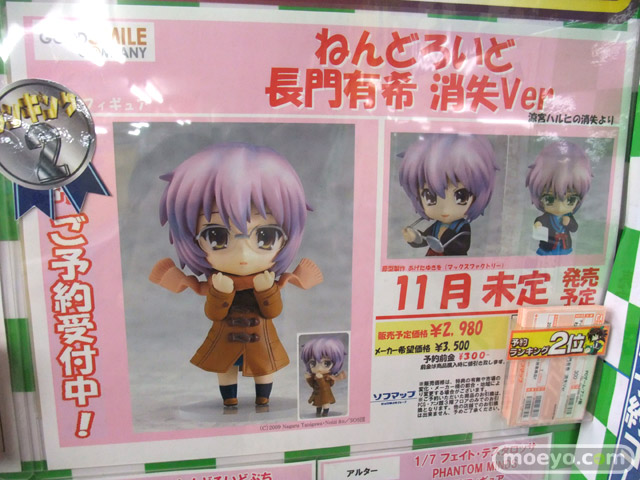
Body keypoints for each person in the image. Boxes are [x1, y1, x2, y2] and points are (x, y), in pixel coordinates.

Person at [150, 143, 322, 407]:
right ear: (191, 238)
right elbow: (214, 314)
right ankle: (229, 400)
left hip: (261, 339)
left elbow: (273, 311)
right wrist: (220, 293)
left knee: (264, 367)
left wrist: (267, 290)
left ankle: (263, 397)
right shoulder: (215, 283)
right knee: (225, 367)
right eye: (216, 236)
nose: (243, 253)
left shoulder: (267, 281)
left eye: (265, 236)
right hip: (225, 340)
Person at [399, 134, 498, 256]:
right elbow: (425, 239)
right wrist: (414, 238)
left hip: (454, 263)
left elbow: (463, 246)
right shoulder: (437, 225)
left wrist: (447, 239)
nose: (445, 209)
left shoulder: (462, 227)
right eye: (430, 197)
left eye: (461, 197)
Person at [526, 141, 592, 255]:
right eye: (549, 199)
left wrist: (569, 222)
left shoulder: (568, 216)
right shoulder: (546, 217)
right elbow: (540, 221)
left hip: (564, 246)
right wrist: (538, 224)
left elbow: (574, 228)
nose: (560, 207)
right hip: (547, 247)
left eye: (570, 200)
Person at [300, 337, 347, 417]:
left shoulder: (328, 377)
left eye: (326, 363)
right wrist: (309, 378)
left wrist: (321, 379)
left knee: (325, 404)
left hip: (326, 394)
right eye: (313, 363)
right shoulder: (316, 376)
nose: (319, 368)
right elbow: (313, 385)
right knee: (318, 404)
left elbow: (327, 385)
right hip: (318, 394)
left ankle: (325, 413)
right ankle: (318, 413)